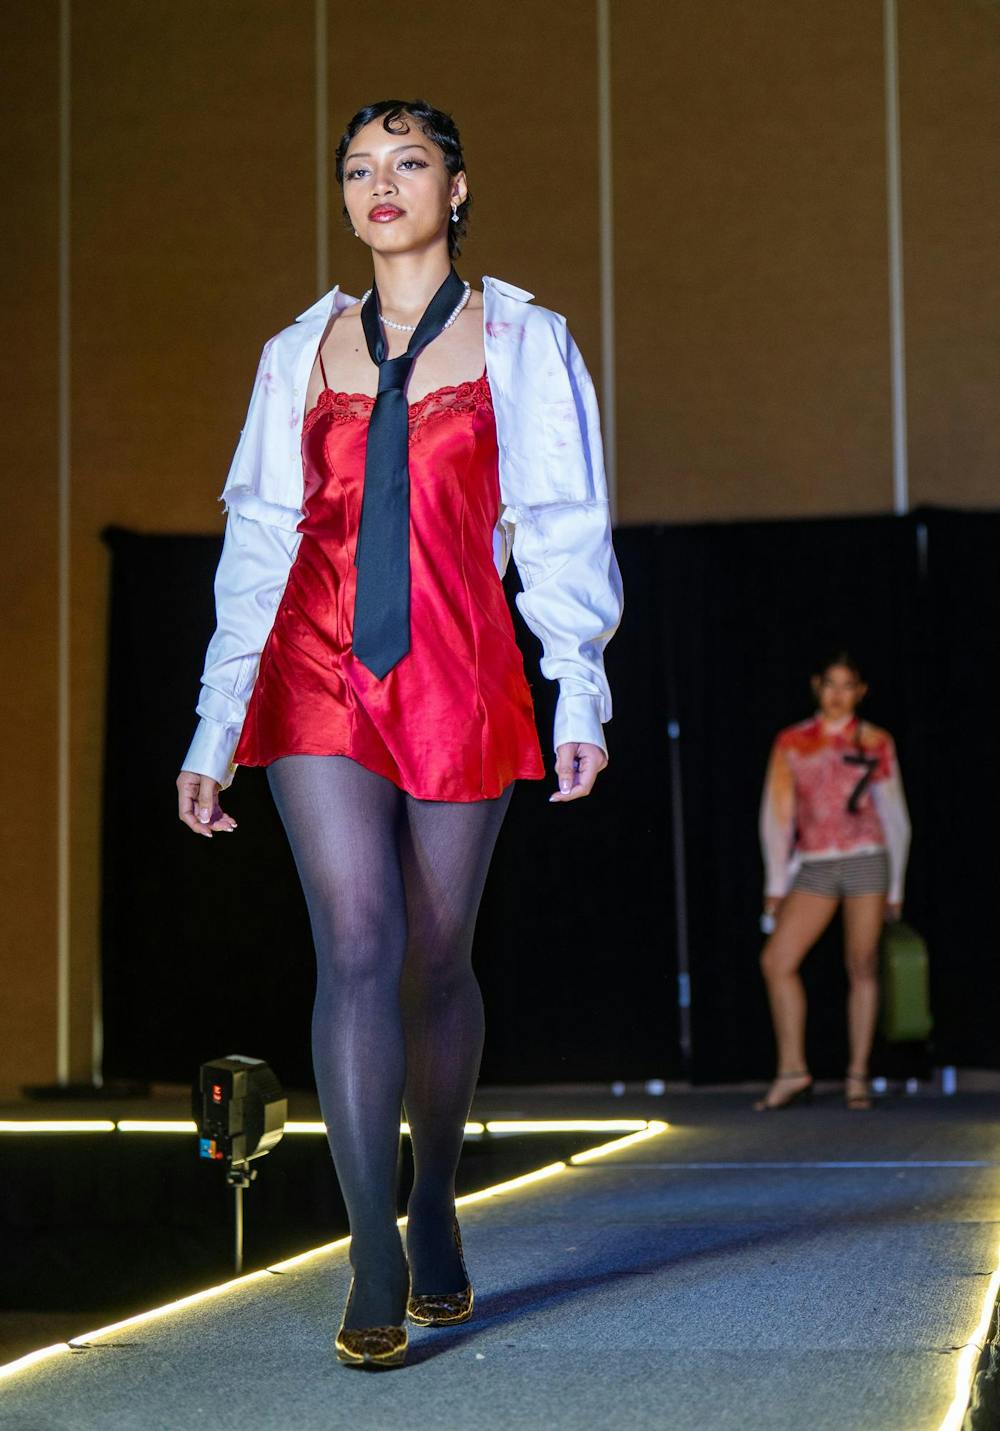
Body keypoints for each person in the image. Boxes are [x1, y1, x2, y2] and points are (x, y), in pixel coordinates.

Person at [175, 99, 623, 1368]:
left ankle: (433, 1203)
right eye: (358, 168)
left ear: (458, 188)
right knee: (357, 942)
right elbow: (258, 544)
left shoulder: (525, 341)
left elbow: (560, 525)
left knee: (435, 958)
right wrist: (217, 727)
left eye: (408, 163)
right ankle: (370, 1245)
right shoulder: (293, 352)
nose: (381, 184)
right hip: (314, 667)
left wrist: (576, 686)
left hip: (459, 664)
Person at [755, 652, 910, 1113]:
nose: (838, 695)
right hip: (816, 863)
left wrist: (896, 885)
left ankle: (858, 1075)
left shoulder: (876, 741)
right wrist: (776, 882)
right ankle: (792, 1070)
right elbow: (776, 815)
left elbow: (895, 815)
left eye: (848, 686)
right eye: (830, 685)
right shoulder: (793, 741)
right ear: (817, 686)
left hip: (867, 859)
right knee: (777, 960)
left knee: (861, 965)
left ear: (860, 691)